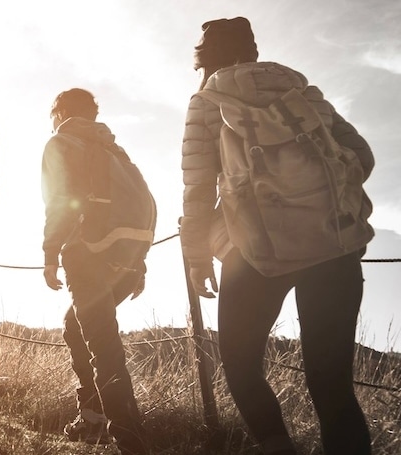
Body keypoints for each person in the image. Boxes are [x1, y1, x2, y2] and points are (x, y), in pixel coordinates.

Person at [181, 17, 375, 455]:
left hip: (253, 252)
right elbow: (361, 155)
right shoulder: (301, 91)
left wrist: (197, 255)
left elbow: (196, 188)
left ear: (204, 58)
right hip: (333, 245)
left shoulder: (207, 98)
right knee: (332, 385)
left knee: (241, 366)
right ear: (252, 50)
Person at [42, 89, 155, 455]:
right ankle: (92, 417)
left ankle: (129, 439)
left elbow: (60, 200)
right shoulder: (112, 148)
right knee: (76, 327)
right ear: (93, 114)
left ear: (58, 113)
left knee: (103, 343)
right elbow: (138, 203)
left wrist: (50, 252)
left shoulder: (61, 142)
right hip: (125, 254)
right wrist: (138, 263)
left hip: (86, 252)